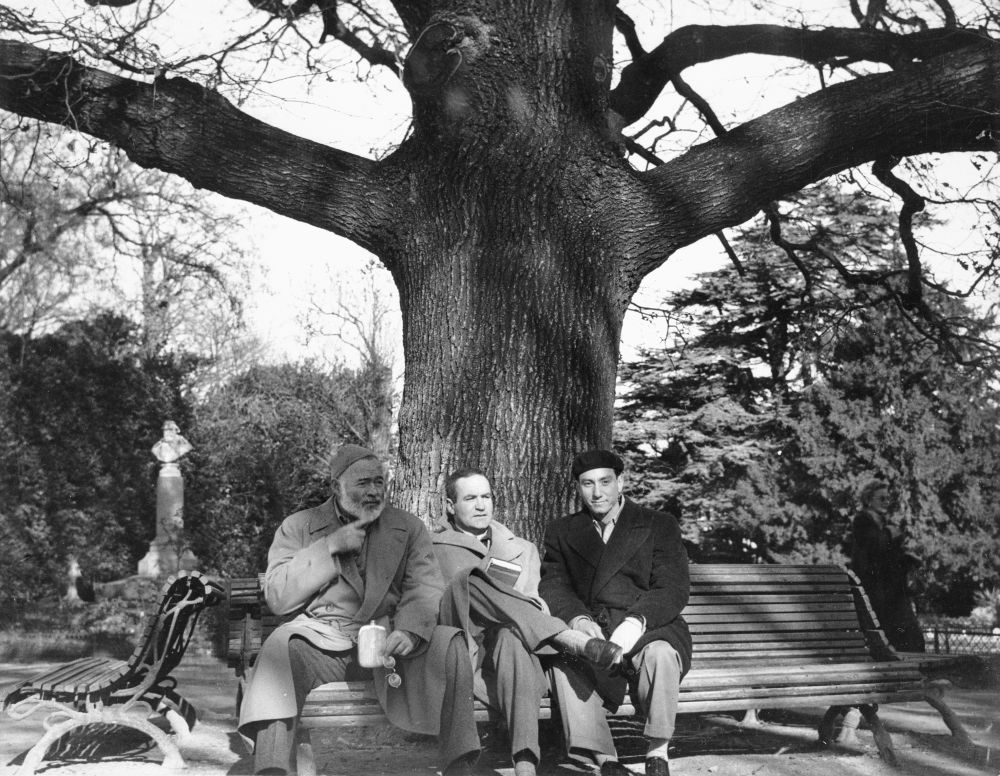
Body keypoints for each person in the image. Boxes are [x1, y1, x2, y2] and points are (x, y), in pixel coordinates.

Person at [237, 444, 481, 776]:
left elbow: (424, 588)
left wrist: (410, 631)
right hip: (326, 647)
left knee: (449, 643)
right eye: (362, 483)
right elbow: (278, 597)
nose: (372, 492)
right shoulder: (298, 527)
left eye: (378, 483)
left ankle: (461, 769)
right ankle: (272, 770)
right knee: (281, 647)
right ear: (335, 487)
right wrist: (330, 548)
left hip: (391, 648)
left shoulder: (407, 528)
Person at [432, 468, 623, 776]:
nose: (481, 505)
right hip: (468, 657)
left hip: (519, 654)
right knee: (470, 582)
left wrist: (523, 606)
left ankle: (525, 767)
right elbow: (435, 610)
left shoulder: (522, 548)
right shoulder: (432, 549)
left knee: (511, 638)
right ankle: (572, 640)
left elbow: (538, 602)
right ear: (450, 506)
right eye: (470, 498)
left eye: (486, 497)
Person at [539, 449, 691, 776]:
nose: (597, 492)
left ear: (620, 481)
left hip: (649, 626)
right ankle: (606, 761)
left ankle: (658, 754)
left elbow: (672, 587)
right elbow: (553, 585)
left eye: (605, 482)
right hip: (592, 631)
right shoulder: (562, 531)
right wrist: (577, 618)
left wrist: (636, 622)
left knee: (662, 656)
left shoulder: (657, 524)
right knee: (563, 666)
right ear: (577, 488)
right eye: (587, 483)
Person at [850, 480, 925, 652]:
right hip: (876, 589)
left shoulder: (883, 521)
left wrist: (910, 559)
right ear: (869, 500)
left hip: (892, 589)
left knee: (910, 635)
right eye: (881, 498)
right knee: (897, 634)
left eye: (888, 498)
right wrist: (890, 533)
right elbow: (874, 548)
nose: (886, 502)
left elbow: (891, 555)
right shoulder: (862, 520)